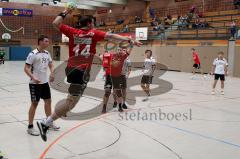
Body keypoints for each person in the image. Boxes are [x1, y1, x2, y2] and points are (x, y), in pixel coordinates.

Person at [37, 7, 142, 142]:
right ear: (89, 24)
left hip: (71, 69)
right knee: (71, 103)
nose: (94, 25)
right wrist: (130, 40)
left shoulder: (72, 32)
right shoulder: (93, 33)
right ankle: (46, 122)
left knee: (71, 99)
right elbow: (111, 36)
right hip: (81, 71)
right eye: (93, 23)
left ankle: (49, 120)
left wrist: (66, 11)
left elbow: (55, 23)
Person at [24, 35, 59, 136]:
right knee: (34, 103)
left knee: (48, 101)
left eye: (48, 41)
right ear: (40, 42)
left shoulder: (47, 53)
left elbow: (51, 64)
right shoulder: (33, 54)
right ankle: (30, 127)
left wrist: (52, 72)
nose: (48, 43)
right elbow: (26, 68)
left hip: (44, 83)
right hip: (35, 84)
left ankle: (49, 122)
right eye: (46, 41)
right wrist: (33, 77)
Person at [102, 46, 133, 113]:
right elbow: (104, 57)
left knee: (118, 93)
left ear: (122, 51)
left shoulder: (123, 57)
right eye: (118, 50)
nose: (119, 51)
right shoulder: (110, 55)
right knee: (107, 92)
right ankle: (104, 107)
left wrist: (131, 44)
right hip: (109, 76)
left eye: (121, 50)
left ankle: (119, 107)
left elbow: (128, 51)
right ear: (116, 50)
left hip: (117, 77)